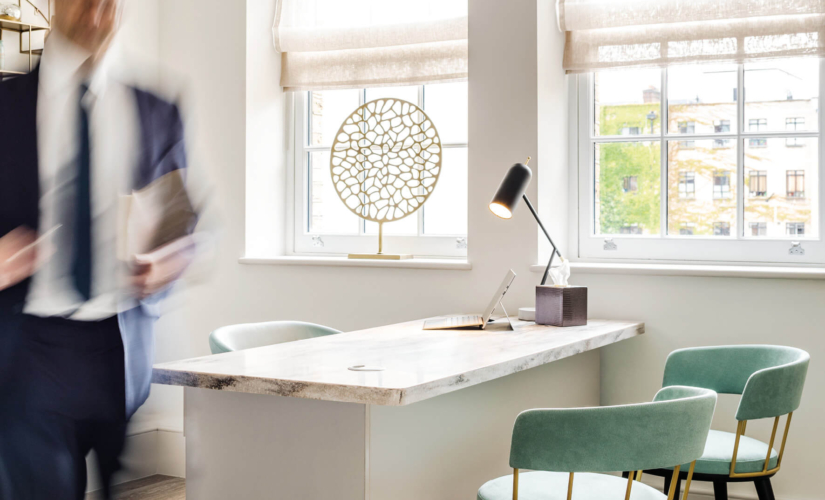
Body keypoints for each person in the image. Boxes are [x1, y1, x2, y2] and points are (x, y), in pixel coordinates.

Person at [0, 0, 201, 498]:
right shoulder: (4, 107)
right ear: (52, 4)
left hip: (119, 351)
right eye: (83, 1)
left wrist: (168, 260)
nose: (96, 15)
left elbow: (185, 221)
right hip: (26, 352)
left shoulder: (158, 107)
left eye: (109, 3)